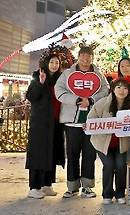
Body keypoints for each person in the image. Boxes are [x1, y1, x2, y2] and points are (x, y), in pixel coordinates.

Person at [56, 46, 109, 198]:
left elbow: (105, 91)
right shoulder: (67, 74)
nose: (86, 59)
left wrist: (91, 100)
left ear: (92, 58)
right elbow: (59, 91)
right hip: (72, 123)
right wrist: (77, 100)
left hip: (91, 123)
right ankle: (72, 187)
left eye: (89, 56)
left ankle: (87, 186)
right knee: (72, 154)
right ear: (78, 57)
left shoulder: (99, 75)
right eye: (83, 56)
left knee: (89, 154)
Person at [25, 43, 74, 199]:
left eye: (57, 63)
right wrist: (40, 83)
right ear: (46, 63)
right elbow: (31, 97)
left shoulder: (60, 79)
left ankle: (47, 184)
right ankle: (34, 187)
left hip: (56, 123)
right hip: (40, 124)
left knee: (52, 153)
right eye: (52, 62)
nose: (54, 65)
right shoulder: (37, 76)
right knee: (39, 154)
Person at [88, 78, 130, 205]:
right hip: (102, 144)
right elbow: (91, 119)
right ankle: (107, 194)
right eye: (119, 87)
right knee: (109, 165)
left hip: (121, 145)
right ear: (113, 89)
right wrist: (89, 126)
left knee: (121, 165)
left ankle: (120, 193)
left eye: (125, 88)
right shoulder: (102, 103)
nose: (122, 90)